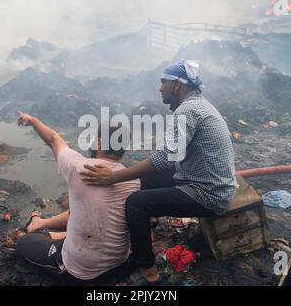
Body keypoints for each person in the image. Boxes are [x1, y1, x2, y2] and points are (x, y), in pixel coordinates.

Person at [81, 60, 236, 286]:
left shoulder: (188, 110)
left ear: (177, 84)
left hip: (209, 194)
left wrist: (113, 177)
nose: (160, 88)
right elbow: (170, 155)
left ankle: (147, 269)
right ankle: (141, 228)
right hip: (206, 181)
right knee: (144, 180)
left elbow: (165, 158)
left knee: (136, 203)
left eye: (163, 82)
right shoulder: (198, 105)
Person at [16, 112, 140, 285]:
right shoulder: (134, 180)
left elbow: (53, 139)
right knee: (84, 209)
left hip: (80, 268)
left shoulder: (79, 167)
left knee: (25, 241)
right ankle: (42, 224)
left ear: (99, 143)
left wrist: (32, 120)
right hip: (119, 261)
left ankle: (41, 230)